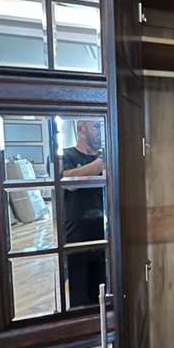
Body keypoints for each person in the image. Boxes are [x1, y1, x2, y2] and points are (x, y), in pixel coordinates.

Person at [62, 119, 106, 308]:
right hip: (76, 237)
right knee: (79, 297)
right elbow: (69, 182)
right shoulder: (65, 155)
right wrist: (101, 163)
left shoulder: (105, 158)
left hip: (105, 234)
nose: (100, 131)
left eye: (101, 127)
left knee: (103, 294)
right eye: (96, 126)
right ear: (81, 129)